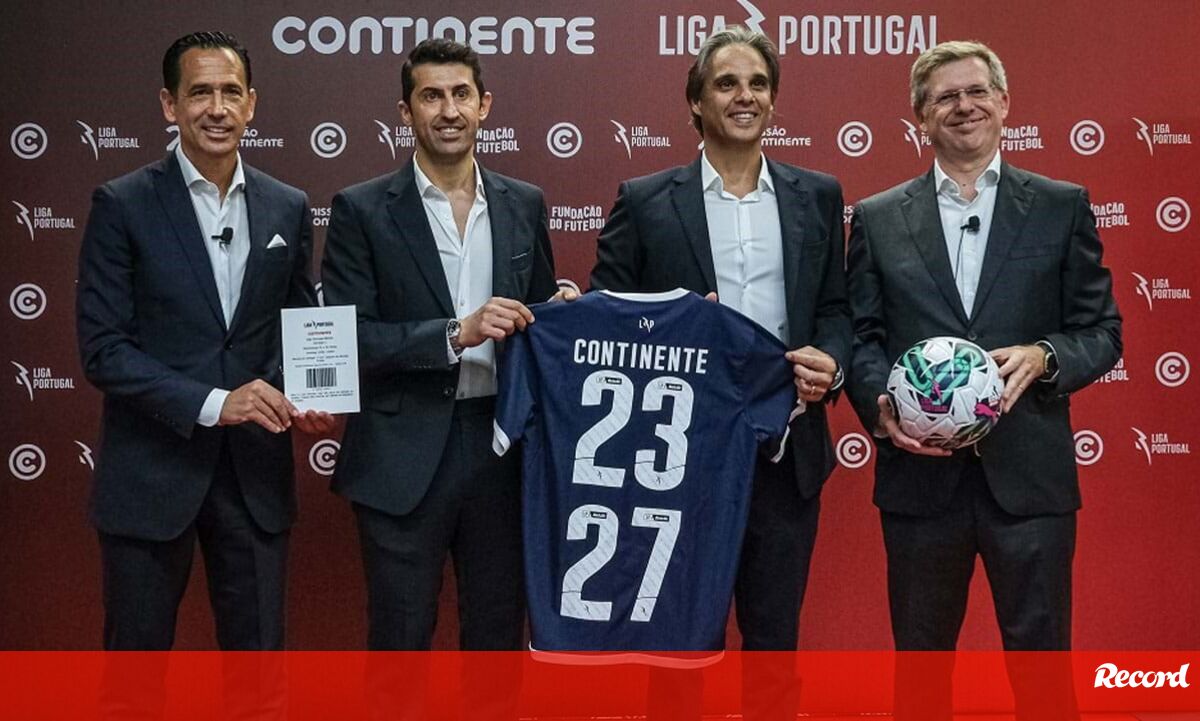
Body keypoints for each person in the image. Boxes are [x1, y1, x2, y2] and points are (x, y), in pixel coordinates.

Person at [846, 40, 1121, 720]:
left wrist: (1045, 356)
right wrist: (881, 404)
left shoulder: (1060, 206)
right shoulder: (878, 217)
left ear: (1004, 104)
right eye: (945, 97)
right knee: (920, 677)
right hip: (921, 482)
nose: (963, 106)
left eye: (976, 92)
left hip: (1029, 481)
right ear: (920, 117)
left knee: (1043, 677)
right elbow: (861, 337)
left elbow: (1102, 331)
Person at [589, 25, 851, 719]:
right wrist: (669, 322)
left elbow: (836, 308)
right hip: (677, 461)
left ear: (773, 100)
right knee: (678, 647)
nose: (745, 96)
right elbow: (606, 317)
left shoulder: (817, 194)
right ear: (696, 103)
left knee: (774, 643)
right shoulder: (646, 199)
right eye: (727, 83)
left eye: (758, 84)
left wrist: (832, 364)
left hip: (784, 449)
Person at [76, 30, 330, 653]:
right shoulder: (122, 204)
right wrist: (218, 403)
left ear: (251, 104)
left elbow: (298, 325)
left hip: (255, 480)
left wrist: (309, 392)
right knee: (135, 682)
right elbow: (104, 350)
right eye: (200, 93)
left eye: (231, 92)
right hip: (150, 477)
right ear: (170, 104)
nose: (217, 108)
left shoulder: (287, 205)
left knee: (259, 679)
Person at [321, 38, 558, 654]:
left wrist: (562, 314)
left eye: (460, 95)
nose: (448, 111)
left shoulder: (524, 202)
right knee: (400, 644)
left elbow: (538, 322)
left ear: (484, 105)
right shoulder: (361, 209)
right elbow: (347, 340)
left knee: (497, 642)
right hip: (399, 454)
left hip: (501, 450)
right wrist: (456, 333)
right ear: (406, 112)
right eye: (431, 96)